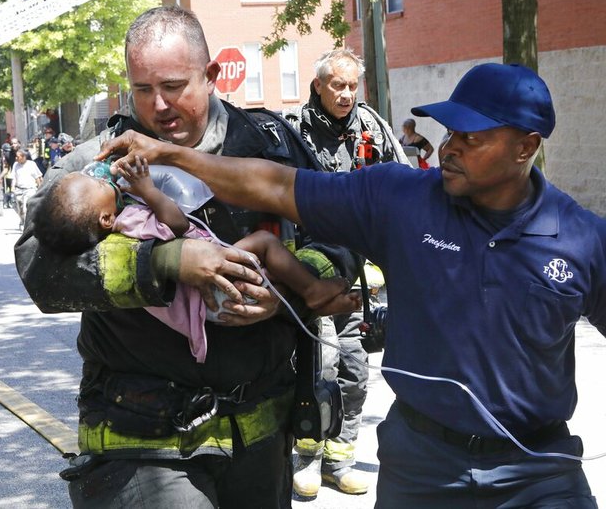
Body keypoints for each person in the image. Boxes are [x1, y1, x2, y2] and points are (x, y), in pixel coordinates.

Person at [98, 63, 605, 508]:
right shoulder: (401, 198)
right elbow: (274, 184)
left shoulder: (584, 239)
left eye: (470, 138)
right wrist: (172, 155)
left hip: (538, 470)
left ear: (526, 147)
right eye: (449, 132)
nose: (448, 148)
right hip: (422, 465)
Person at [15, 5, 353, 508]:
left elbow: (341, 237)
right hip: (142, 441)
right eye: (143, 89)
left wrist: (284, 294)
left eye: (174, 86)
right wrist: (162, 264)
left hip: (260, 438)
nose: (159, 106)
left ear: (211, 75)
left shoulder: (272, 148)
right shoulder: (94, 170)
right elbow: (42, 271)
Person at [34, 156, 361, 363]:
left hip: (211, 307)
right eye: (95, 183)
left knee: (269, 282)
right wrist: (148, 191)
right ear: (105, 219)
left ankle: (313, 298)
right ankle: (313, 290)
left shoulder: (115, 229)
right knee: (264, 243)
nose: (101, 176)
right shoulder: (129, 221)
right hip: (212, 295)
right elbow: (177, 224)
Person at [281, 48, 409, 497]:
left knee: (354, 370)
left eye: (353, 85)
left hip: (358, 280)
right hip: (311, 277)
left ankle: (341, 458)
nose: (347, 94)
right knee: (320, 367)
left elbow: (403, 186)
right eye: (338, 85)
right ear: (318, 86)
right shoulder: (292, 133)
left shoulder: (372, 127)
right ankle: (308, 459)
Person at [11, 149, 42, 231]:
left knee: (26, 208)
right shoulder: (15, 165)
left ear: (24, 157)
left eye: (18, 157)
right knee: (19, 209)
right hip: (19, 190)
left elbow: (38, 177)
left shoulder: (32, 164)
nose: (16, 158)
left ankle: (27, 227)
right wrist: (12, 187)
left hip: (30, 189)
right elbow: (13, 177)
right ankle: (22, 221)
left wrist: (40, 188)